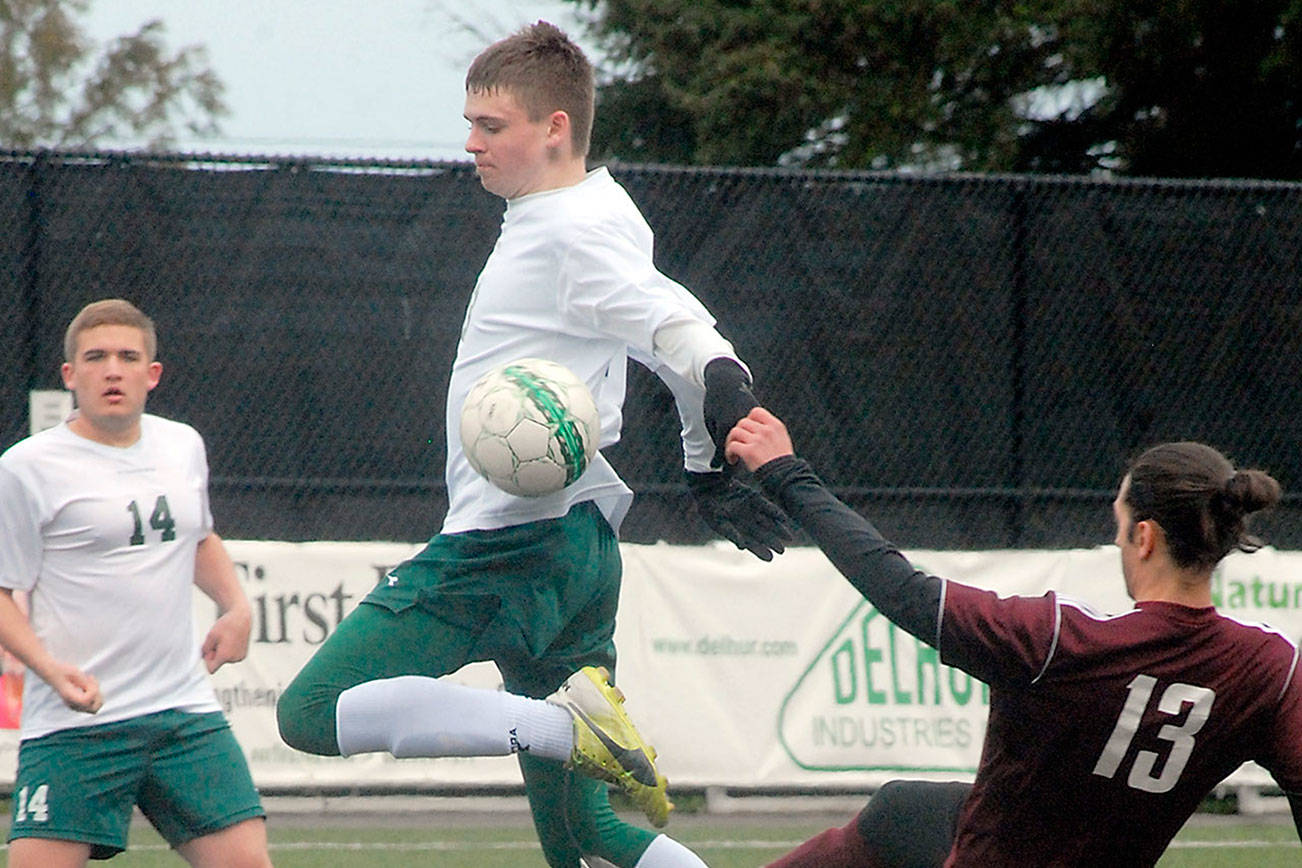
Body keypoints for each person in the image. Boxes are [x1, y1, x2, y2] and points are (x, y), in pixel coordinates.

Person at [274, 21, 791, 868]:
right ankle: (572, 726)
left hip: (507, 544)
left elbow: (673, 326)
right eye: (470, 122)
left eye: (491, 125)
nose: (470, 142)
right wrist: (703, 461)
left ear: (555, 127)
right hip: (579, 545)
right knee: (590, 840)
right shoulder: (598, 207)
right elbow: (667, 330)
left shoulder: (565, 231)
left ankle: (559, 723)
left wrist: (723, 390)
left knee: (313, 710)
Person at [724, 406, 1302, 867]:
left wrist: (787, 476)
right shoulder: (1269, 670)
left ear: (1145, 537)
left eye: (1120, 527)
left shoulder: (1058, 642)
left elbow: (902, 590)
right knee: (900, 811)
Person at [0, 299, 272, 867]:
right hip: (77, 723)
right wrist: (50, 670)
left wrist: (236, 606)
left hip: (183, 714)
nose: (113, 370)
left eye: (128, 357)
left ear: (152, 375)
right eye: (96, 358)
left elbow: (197, 537)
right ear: (70, 376)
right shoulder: (27, 468)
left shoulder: (182, 446)